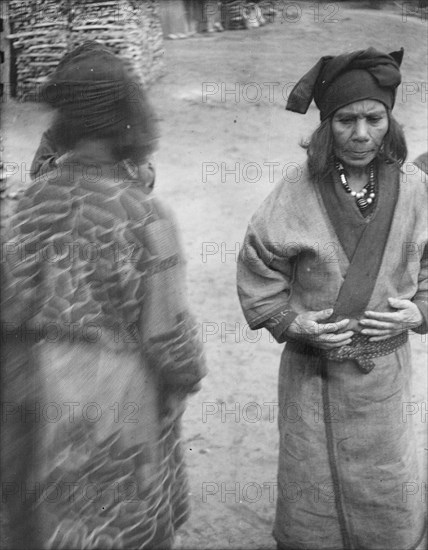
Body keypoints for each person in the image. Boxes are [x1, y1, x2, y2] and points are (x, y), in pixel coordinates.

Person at [1, 41, 206, 549]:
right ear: (129, 118)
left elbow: (9, 308)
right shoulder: (145, 216)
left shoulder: (30, 203)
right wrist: (189, 375)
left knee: (51, 514)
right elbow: (168, 334)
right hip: (119, 397)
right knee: (119, 517)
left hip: (40, 390)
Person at [237, 47, 427, 550]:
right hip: (313, 373)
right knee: (312, 478)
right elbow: (260, 264)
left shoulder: (415, 189)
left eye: (374, 118)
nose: (361, 134)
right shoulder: (295, 191)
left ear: (389, 120)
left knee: (386, 474)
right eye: (346, 120)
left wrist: (421, 308)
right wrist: (288, 322)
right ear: (326, 125)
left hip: (384, 372)